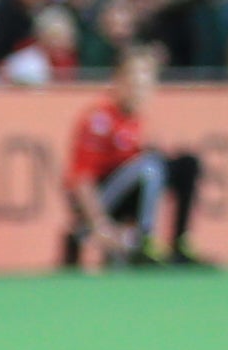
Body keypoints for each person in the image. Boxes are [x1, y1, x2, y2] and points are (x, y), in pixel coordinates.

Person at [64, 47, 209, 268]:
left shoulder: (136, 120)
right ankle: (143, 240)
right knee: (150, 166)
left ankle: (181, 242)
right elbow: (82, 178)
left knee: (186, 164)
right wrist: (99, 224)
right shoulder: (99, 120)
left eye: (144, 83)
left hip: (130, 192)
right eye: (133, 82)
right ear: (118, 81)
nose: (138, 90)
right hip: (102, 201)